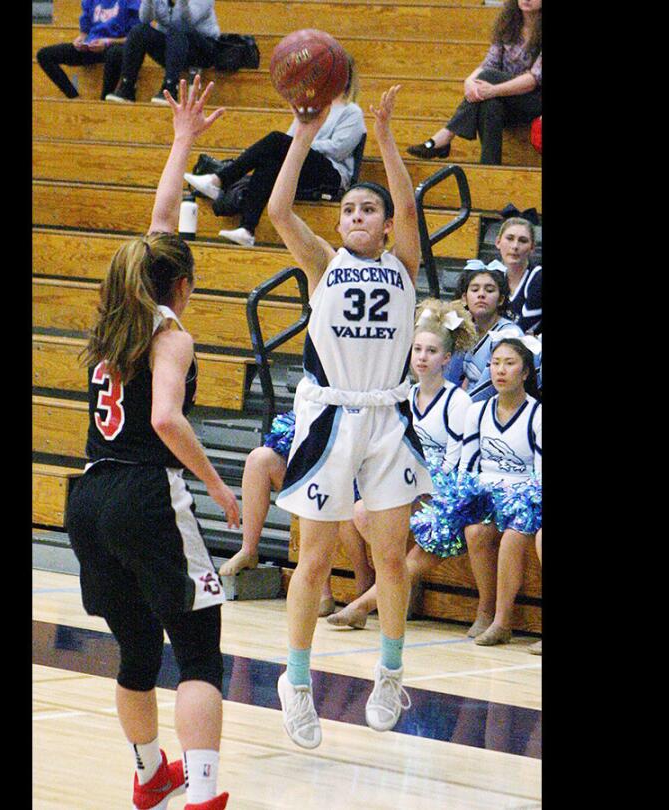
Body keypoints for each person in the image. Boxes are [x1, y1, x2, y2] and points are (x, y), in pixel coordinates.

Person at [63, 76, 236, 810]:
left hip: (90, 494)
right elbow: (167, 420)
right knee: (199, 651)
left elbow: (156, 234)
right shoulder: (172, 332)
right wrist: (220, 486)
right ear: (185, 285)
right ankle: (202, 795)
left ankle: (148, 774)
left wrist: (181, 143)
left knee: (137, 649)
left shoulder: (116, 318)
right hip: (144, 491)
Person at [266, 84, 428, 748]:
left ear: (386, 224)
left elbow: (411, 205)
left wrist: (385, 134)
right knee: (316, 558)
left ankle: (390, 672)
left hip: (388, 415)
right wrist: (304, 133)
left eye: (370, 209)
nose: (358, 214)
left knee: (391, 558)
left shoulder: (405, 263)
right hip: (330, 414)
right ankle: (296, 681)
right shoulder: (323, 264)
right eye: (350, 208)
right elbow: (278, 208)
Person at [325, 299, 477, 630]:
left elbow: (458, 460)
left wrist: (424, 487)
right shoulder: (402, 396)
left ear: (447, 358)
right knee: (361, 511)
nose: (422, 357)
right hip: (407, 486)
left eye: (432, 351)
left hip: (448, 494)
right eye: (418, 349)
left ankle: (363, 605)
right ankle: (396, 591)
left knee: (434, 526)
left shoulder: (459, 401)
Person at [182, 57, 366, 247]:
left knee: (276, 141)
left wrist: (303, 143)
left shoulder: (351, 111)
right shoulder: (312, 105)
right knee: (270, 161)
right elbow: (287, 142)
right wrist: (297, 144)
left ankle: (219, 179)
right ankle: (247, 229)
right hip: (303, 166)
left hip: (333, 176)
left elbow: (339, 149)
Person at [221, 412, 376, 616]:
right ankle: (249, 550)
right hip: (315, 466)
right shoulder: (312, 388)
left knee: (336, 494)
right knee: (259, 459)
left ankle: (363, 581)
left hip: (356, 475)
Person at [456, 338, 542, 646]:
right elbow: (467, 466)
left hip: (527, 498)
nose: (500, 370)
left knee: (513, 537)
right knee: (476, 532)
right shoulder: (477, 412)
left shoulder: (537, 414)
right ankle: (485, 608)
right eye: (495, 363)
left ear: (526, 373)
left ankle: (503, 622)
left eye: (510, 363)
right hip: (487, 495)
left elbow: (540, 475)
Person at [406, 0, 541, 165]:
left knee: (489, 82)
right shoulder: (508, 25)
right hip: (507, 99)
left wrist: (493, 89)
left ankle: (446, 135)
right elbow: (489, 64)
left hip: (535, 101)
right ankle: (489, 167)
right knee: (490, 104)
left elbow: (533, 80)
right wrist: (470, 81)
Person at [106, 0, 220, 105]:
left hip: (202, 49)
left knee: (177, 28)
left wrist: (182, 2)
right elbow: (145, 19)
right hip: (174, 47)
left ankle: (170, 87)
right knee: (139, 31)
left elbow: (187, 21)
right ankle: (127, 87)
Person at [35, 0, 141, 100]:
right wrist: (80, 41)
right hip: (91, 45)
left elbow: (135, 37)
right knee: (44, 55)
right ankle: (74, 98)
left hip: (114, 45)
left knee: (115, 53)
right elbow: (84, 32)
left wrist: (108, 41)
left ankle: (105, 99)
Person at [453, 266, 528, 401]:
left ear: (501, 299)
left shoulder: (509, 334)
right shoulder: (463, 330)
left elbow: (488, 390)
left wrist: (454, 409)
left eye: (489, 290)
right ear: (464, 299)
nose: (481, 294)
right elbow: (448, 379)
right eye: (475, 290)